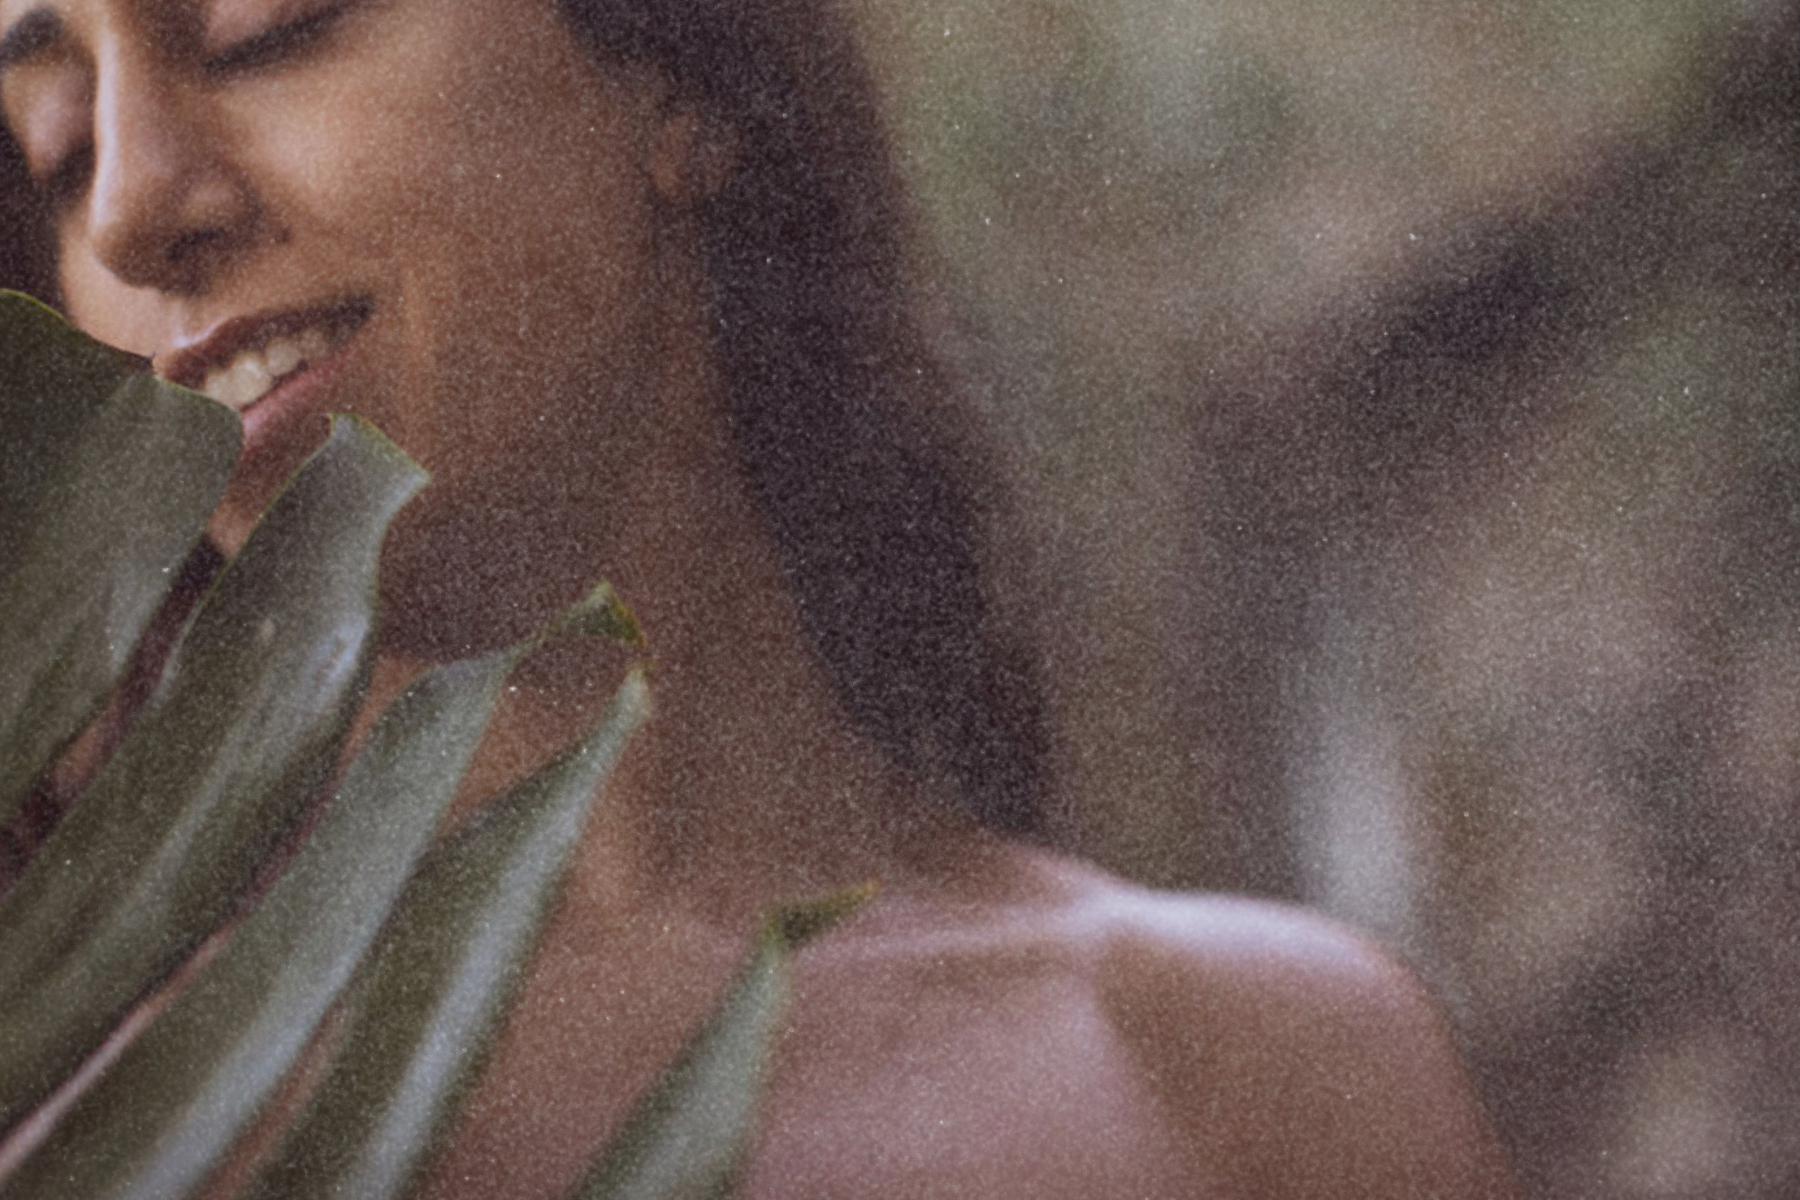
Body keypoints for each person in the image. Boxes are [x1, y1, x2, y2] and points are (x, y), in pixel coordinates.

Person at [0, 0, 1521, 1195]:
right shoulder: (83, 1119)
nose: (124, 206)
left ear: (676, 77)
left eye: (263, 25)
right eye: (56, 142)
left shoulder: (1249, 1079)